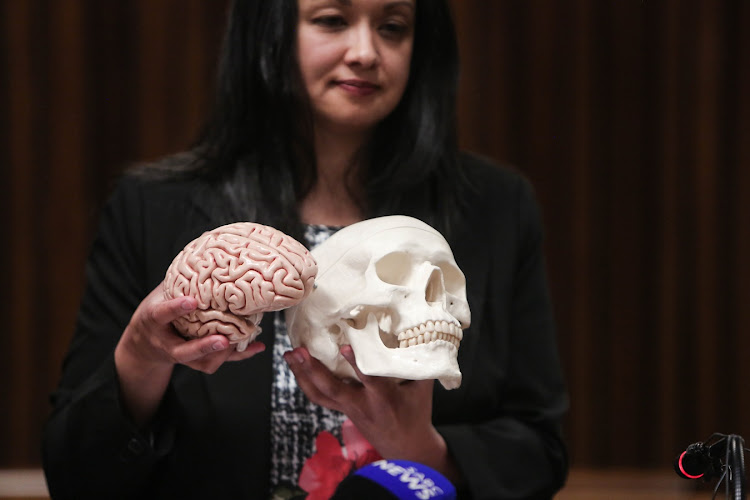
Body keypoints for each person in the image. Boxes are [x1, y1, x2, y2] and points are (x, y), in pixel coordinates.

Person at [42, 0, 569, 498]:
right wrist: (141, 355)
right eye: (333, 19)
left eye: (393, 27)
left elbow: (538, 452)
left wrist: (421, 450)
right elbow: (76, 476)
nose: (366, 51)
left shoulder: (496, 207)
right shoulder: (153, 208)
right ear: (270, 31)